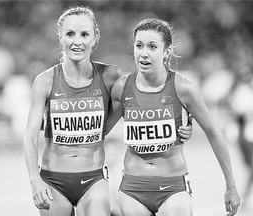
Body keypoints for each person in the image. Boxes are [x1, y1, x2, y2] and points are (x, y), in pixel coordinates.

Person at [23, 6, 193, 216]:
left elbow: (144, 98)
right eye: (70, 34)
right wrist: (34, 180)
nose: (77, 41)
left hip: (93, 180)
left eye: (84, 34)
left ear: (95, 37)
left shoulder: (110, 76)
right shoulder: (45, 81)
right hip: (53, 180)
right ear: (60, 37)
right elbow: (30, 137)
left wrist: (185, 122)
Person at [109, 18, 240, 216]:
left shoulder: (184, 88)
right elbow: (99, 130)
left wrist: (230, 185)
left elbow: (214, 134)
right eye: (139, 45)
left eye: (152, 46)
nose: (143, 53)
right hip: (132, 188)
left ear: (166, 52)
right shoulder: (122, 87)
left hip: (172, 187)